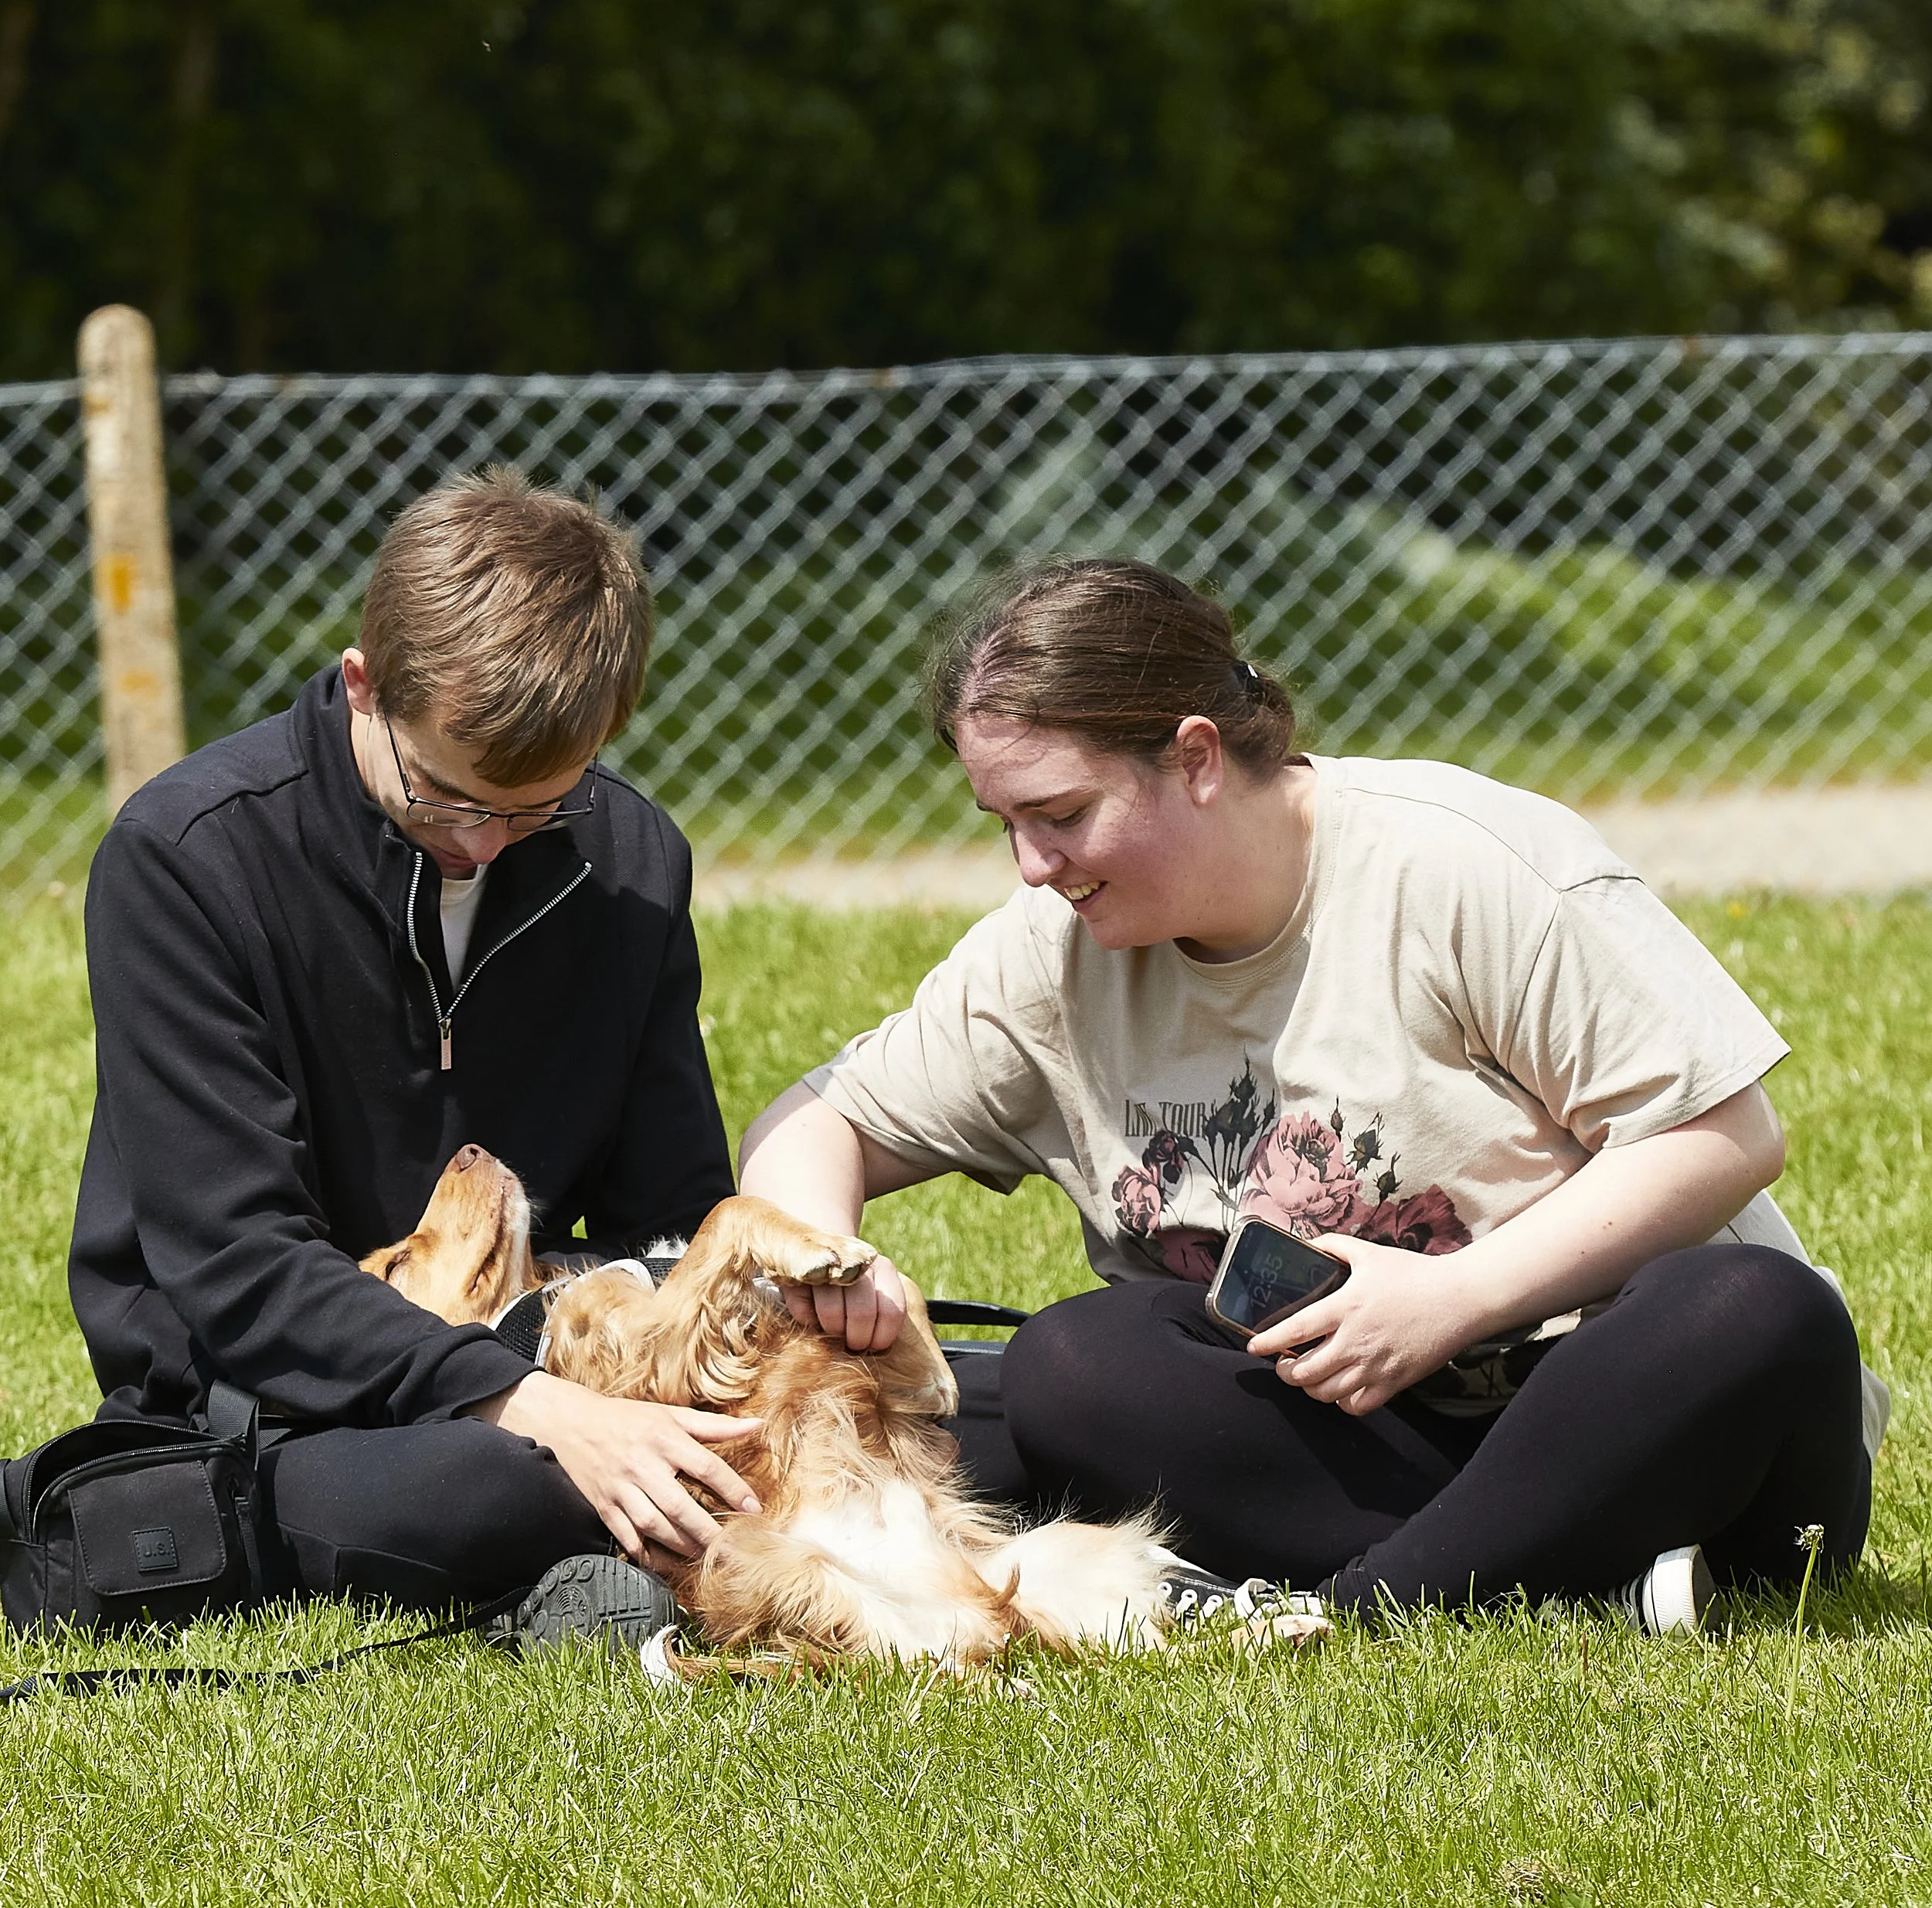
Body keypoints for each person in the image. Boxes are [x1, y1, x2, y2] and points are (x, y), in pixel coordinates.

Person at [740, 556, 1887, 1631]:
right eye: (1006, 826)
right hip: (1359, 1438)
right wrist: (829, 1260)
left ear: (1196, 758)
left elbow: (1724, 1137)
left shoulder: (1460, 863)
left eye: (1062, 815)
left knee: (1752, 1308)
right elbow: (815, 1122)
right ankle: (1568, 1580)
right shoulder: (1047, 954)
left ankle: (1350, 1606)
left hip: (1634, 1411)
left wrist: (1456, 1300)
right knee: (1066, 1367)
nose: (1034, 865)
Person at [62, 468, 758, 1632]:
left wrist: (748, 1350)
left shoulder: (631, 861)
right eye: (445, 798)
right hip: (284, 1406)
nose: (483, 845)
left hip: (556, 1363)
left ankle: (608, 1551)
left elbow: (667, 1219)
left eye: (535, 809)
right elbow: (238, 1270)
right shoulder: (188, 857)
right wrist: (527, 1407)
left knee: (987, 1405)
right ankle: (578, 1552)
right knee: (484, 1488)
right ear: (363, 686)